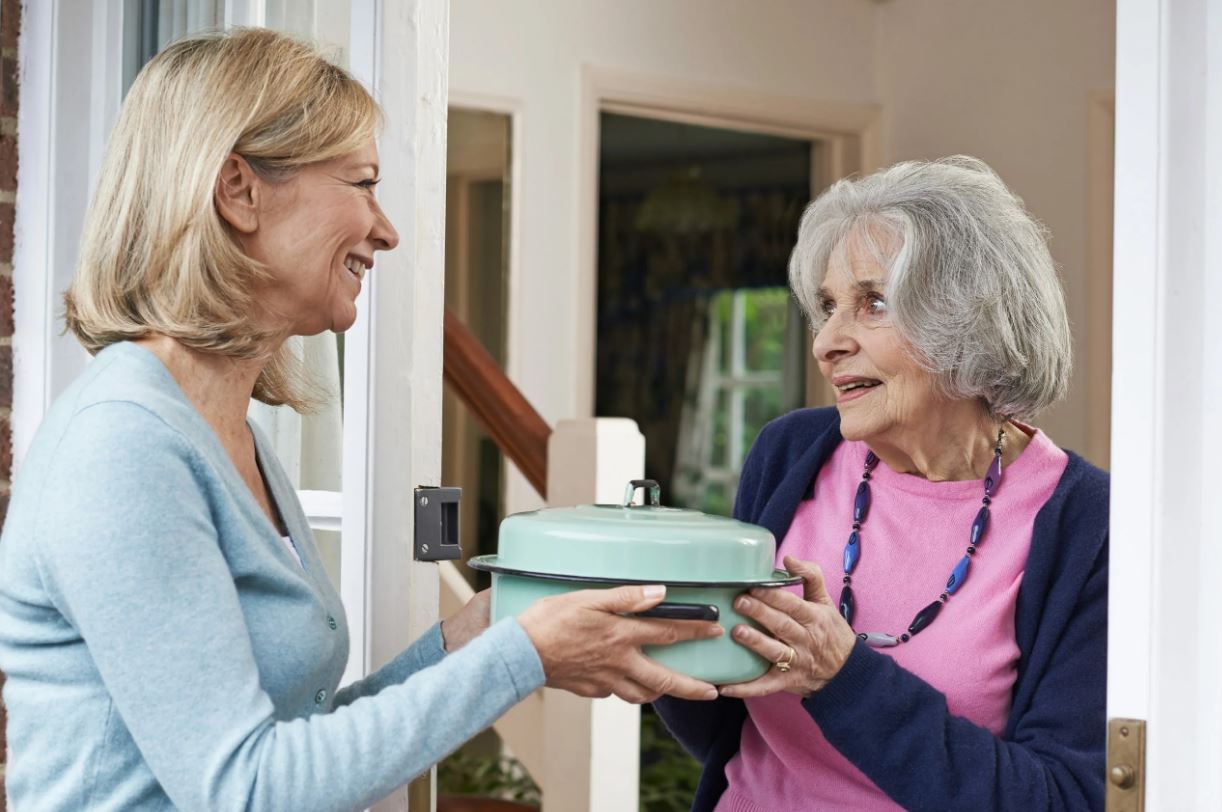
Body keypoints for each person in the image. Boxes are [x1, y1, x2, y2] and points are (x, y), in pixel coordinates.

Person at [0, 29, 722, 811]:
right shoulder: (122, 446)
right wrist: (524, 656)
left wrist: (468, 641)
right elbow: (246, 791)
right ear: (239, 190)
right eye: (363, 182)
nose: (386, 229)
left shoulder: (230, 436)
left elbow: (291, 743)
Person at [654, 156, 1109, 811]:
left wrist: (842, 678)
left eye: (873, 304)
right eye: (828, 307)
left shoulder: (1086, 526)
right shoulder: (790, 453)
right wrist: (667, 650)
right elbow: (733, 733)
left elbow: (1061, 799)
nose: (827, 343)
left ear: (968, 320)